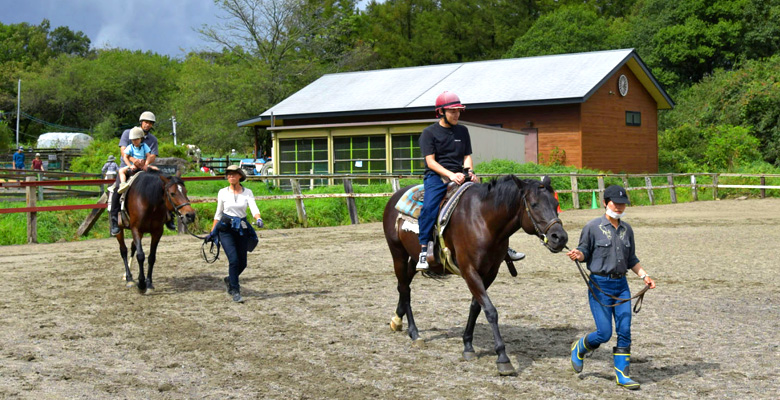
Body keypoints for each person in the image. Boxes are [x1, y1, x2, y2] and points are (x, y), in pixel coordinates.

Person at [566, 185, 656, 390]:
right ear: (606, 202)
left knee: (625, 330)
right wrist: (577, 255)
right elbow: (583, 252)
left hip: (621, 286)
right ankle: (580, 347)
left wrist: (645, 276)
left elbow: (631, 258)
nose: (621, 207)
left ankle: (623, 375)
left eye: (623, 204)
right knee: (604, 333)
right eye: (617, 203)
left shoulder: (627, 230)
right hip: (599, 285)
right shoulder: (591, 227)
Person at [415, 91, 479, 271]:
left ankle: (503, 247)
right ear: (441, 112)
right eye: (452, 111)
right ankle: (423, 249)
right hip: (437, 176)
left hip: (460, 174)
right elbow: (430, 161)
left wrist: (470, 171)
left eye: (458, 111)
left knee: (488, 199)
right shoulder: (429, 133)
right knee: (429, 207)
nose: (456, 114)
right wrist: (450, 175)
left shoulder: (463, 130)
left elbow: (467, 156)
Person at [206, 165, 264, 303]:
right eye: (229, 174)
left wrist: (258, 218)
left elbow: (253, 207)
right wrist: (213, 231)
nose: (231, 176)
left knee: (243, 263)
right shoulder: (222, 192)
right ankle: (235, 291)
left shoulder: (247, 192)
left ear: (240, 176)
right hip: (225, 229)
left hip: (241, 228)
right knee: (234, 260)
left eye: (234, 174)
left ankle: (230, 279)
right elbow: (218, 213)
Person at [108, 111, 170, 235]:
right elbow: (123, 150)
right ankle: (114, 220)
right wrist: (134, 161)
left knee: (164, 182)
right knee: (117, 189)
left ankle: (169, 216)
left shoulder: (152, 139)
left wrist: (145, 164)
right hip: (128, 167)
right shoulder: (128, 133)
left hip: (144, 167)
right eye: (146, 122)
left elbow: (152, 155)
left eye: (150, 123)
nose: (147, 125)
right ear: (141, 122)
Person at [117, 127, 159, 193]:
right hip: (133, 165)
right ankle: (123, 184)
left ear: (141, 139)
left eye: (137, 139)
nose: (135, 141)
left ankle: (159, 186)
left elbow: (149, 156)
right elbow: (125, 157)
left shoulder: (144, 146)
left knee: (156, 169)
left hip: (143, 165)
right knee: (121, 171)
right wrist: (130, 165)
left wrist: (146, 164)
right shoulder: (130, 147)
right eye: (133, 140)